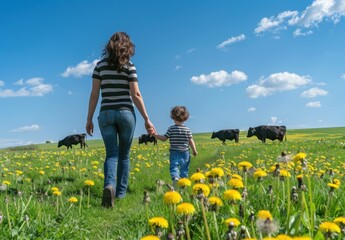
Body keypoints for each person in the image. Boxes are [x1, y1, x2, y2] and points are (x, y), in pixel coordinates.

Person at [86, 32, 155, 208]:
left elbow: (94, 95)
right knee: (124, 155)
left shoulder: (99, 66)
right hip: (126, 114)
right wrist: (147, 119)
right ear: (128, 47)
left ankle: (109, 186)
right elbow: (136, 94)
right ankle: (121, 194)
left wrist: (89, 119)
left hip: (106, 113)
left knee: (111, 154)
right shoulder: (130, 66)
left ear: (109, 46)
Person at [154, 106, 198, 186]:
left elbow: (164, 138)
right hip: (185, 152)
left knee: (174, 166)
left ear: (173, 117)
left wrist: (156, 135)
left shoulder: (171, 129)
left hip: (174, 152)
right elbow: (191, 141)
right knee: (184, 168)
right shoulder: (188, 130)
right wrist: (194, 150)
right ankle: (183, 183)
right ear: (186, 118)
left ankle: (175, 178)